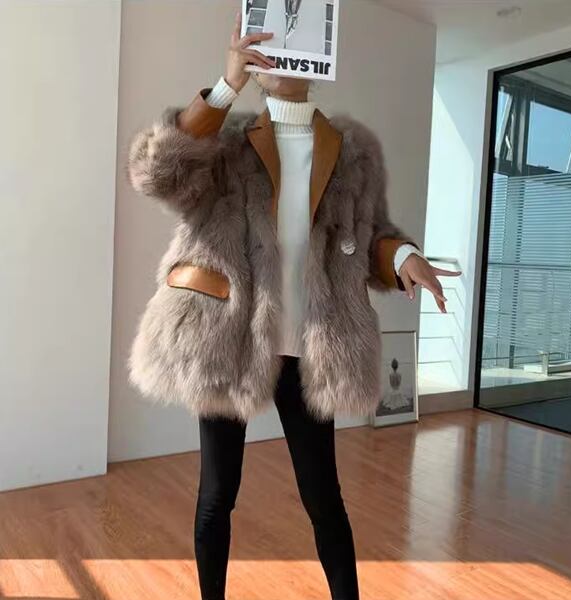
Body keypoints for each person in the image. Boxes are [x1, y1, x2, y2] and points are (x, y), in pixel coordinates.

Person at [127, 11, 461, 600]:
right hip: (228, 337)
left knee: (324, 498)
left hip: (311, 344)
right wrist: (224, 87)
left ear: (319, 57)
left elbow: (370, 235)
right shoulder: (226, 142)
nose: (284, 55)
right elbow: (156, 174)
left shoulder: (352, 152)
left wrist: (403, 255)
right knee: (217, 495)